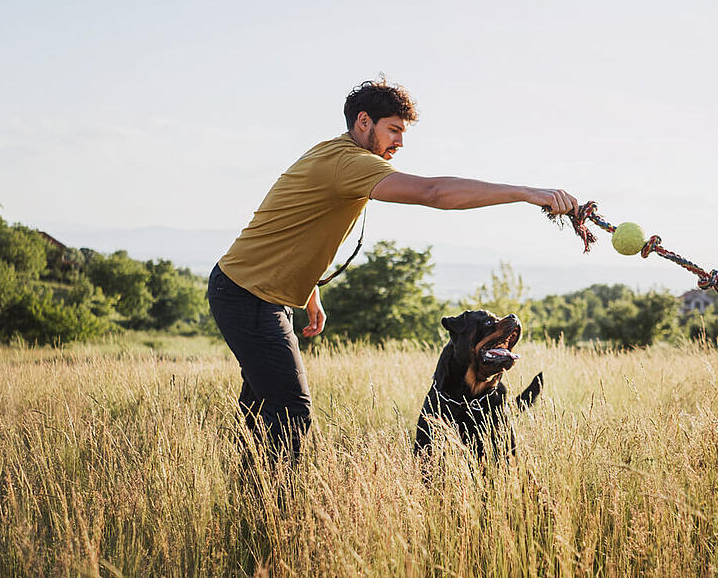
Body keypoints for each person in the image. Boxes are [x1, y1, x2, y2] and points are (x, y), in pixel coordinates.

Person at [207, 78, 578, 465]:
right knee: (290, 413)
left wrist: (310, 289)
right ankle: (273, 511)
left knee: (261, 412)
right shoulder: (347, 162)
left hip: (257, 293)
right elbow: (433, 192)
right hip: (248, 297)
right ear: (364, 122)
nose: (399, 142)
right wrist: (526, 193)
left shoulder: (334, 155)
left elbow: (296, 222)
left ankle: (250, 504)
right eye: (394, 130)